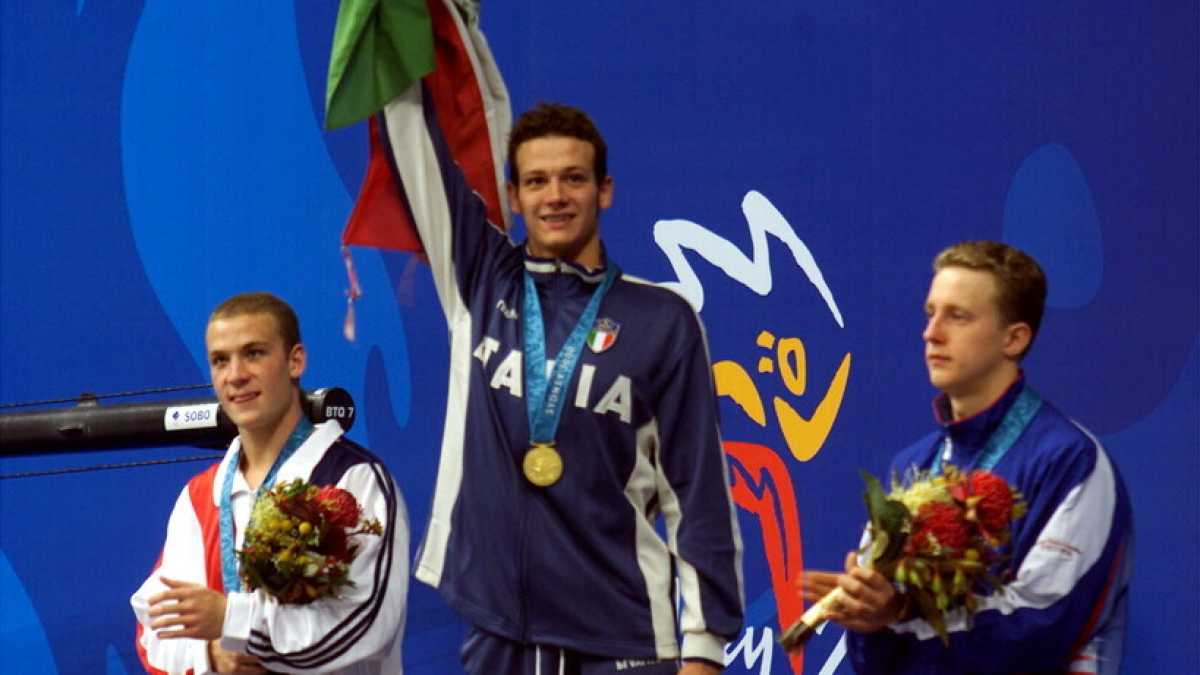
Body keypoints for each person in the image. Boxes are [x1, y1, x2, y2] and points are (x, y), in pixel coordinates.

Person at [382, 92, 744, 672]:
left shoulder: (662, 321)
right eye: (537, 181)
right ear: (516, 198)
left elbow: (696, 494)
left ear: (605, 190)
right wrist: (392, 38)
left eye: (574, 178)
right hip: (499, 635)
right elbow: (411, 146)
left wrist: (703, 649)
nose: (555, 196)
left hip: (621, 640)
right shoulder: (480, 282)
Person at [802, 241, 1133, 674]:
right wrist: (867, 615)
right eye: (930, 313)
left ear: (1014, 338)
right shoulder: (912, 467)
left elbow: (1039, 629)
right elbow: (877, 661)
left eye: (958, 316)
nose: (931, 332)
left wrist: (900, 614)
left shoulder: (1070, 461)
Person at [131, 292, 408, 674]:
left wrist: (234, 621)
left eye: (254, 353)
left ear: (296, 361)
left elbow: (366, 627)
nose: (236, 374)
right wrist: (211, 655)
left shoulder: (354, 481)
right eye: (220, 360)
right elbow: (154, 631)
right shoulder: (200, 497)